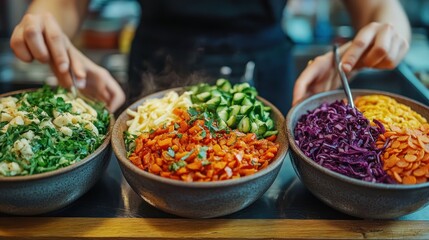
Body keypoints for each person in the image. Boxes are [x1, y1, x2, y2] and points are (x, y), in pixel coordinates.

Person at [10, 0, 410, 114]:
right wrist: (44, 23)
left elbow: (379, 10)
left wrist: (388, 32)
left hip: (269, 78)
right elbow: (64, 4)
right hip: (155, 78)